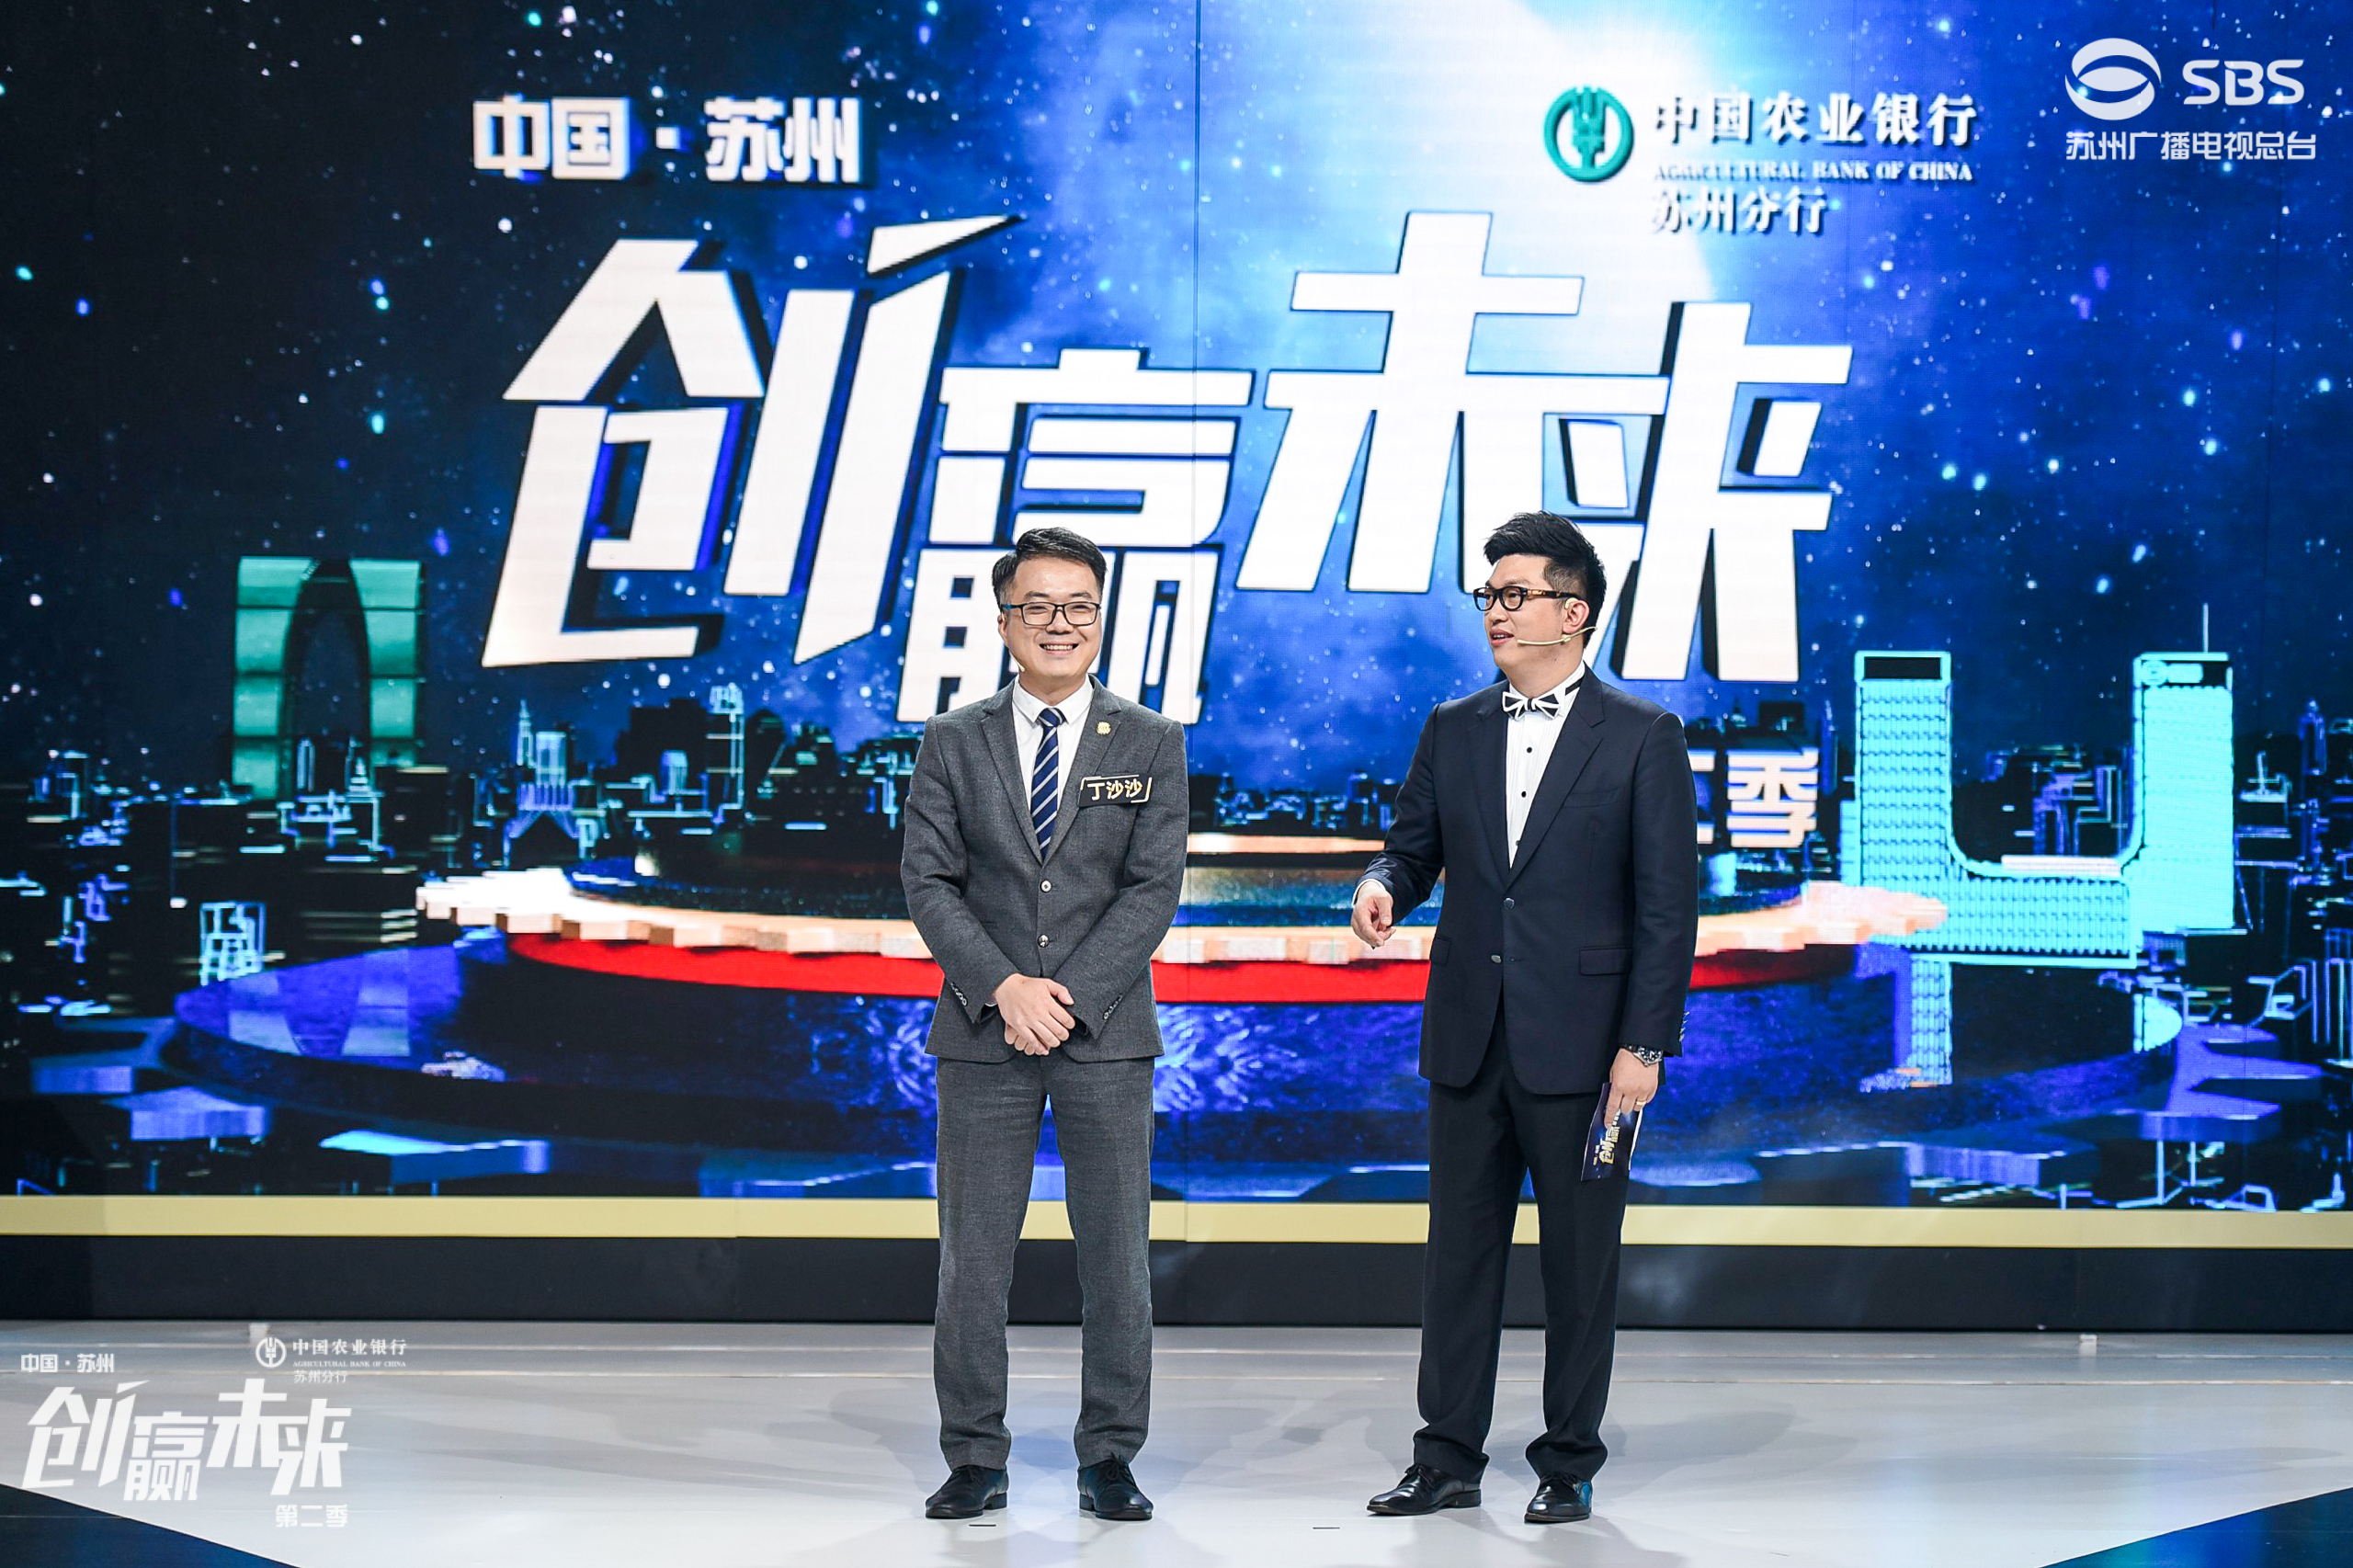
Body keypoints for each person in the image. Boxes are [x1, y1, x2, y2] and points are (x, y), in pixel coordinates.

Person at [1352, 511, 1698, 1526]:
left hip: (1588, 1050)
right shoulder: (1453, 726)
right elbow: (1413, 849)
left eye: (1515, 595)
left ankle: (1567, 1458)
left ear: (1573, 611)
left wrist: (1644, 1045)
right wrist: (1382, 883)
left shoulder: (1642, 734)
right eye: (1489, 596)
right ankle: (1445, 1455)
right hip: (1468, 1036)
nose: (1496, 613)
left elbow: (1666, 909)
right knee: (1457, 1257)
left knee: (1579, 1263)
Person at [899, 525, 1188, 1524]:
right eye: (1038, 606)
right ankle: (974, 1456)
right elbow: (928, 881)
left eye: (1079, 606)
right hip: (982, 1034)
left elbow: (1151, 889)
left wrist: (1061, 995)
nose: (1059, 623)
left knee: (1116, 1260)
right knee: (972, 1261)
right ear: (1004, 620)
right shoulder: (952, 738)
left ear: (1099, 619)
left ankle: (1109, 1456)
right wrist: (1002, 986)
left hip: (1105, 1035)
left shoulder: (1151, 739)